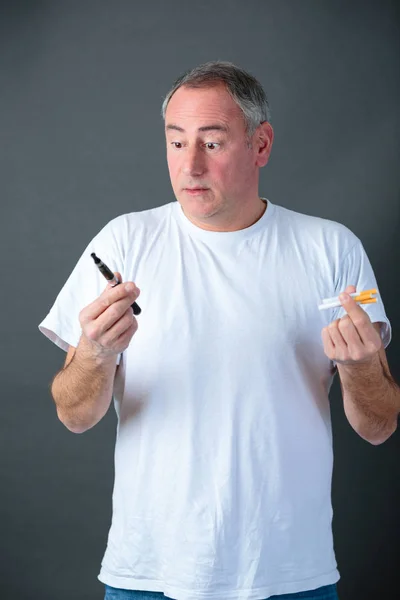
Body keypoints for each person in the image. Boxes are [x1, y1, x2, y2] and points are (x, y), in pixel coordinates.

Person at [38, 61, 399, 600]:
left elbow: (379, 426)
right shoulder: (125, 242)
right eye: (177, 143)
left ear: (261, 145)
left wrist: (361, 366)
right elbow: (73, 415)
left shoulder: (333, 249)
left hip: (290, 573)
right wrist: (94, 354)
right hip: (150, 573)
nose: (191, 166)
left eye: (213, 142)